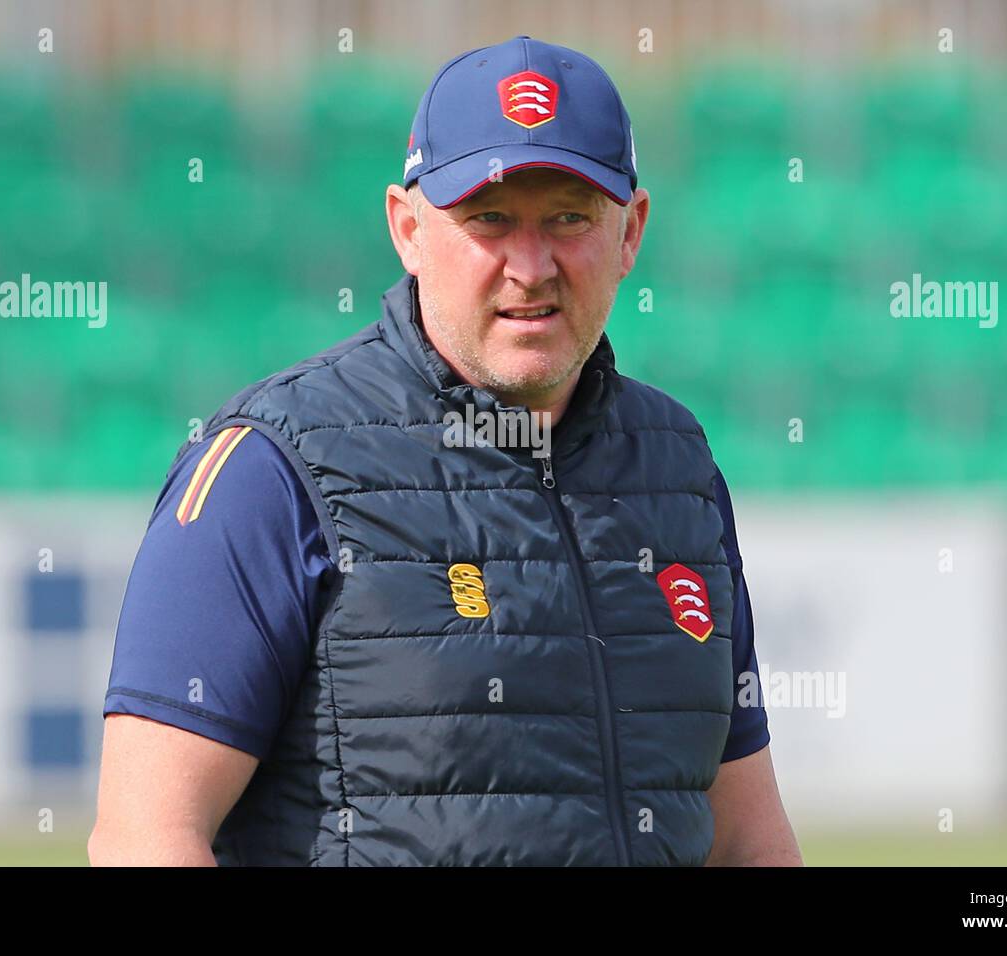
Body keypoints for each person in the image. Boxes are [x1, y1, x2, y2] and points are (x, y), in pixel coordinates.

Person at [90, 35, 802, 866]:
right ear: (408, 228)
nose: (530, 267)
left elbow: (748, 838)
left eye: (570, 218)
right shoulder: (268, 468)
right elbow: (146, 836)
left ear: (631, 232)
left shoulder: (676, 467)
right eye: (489, 219)